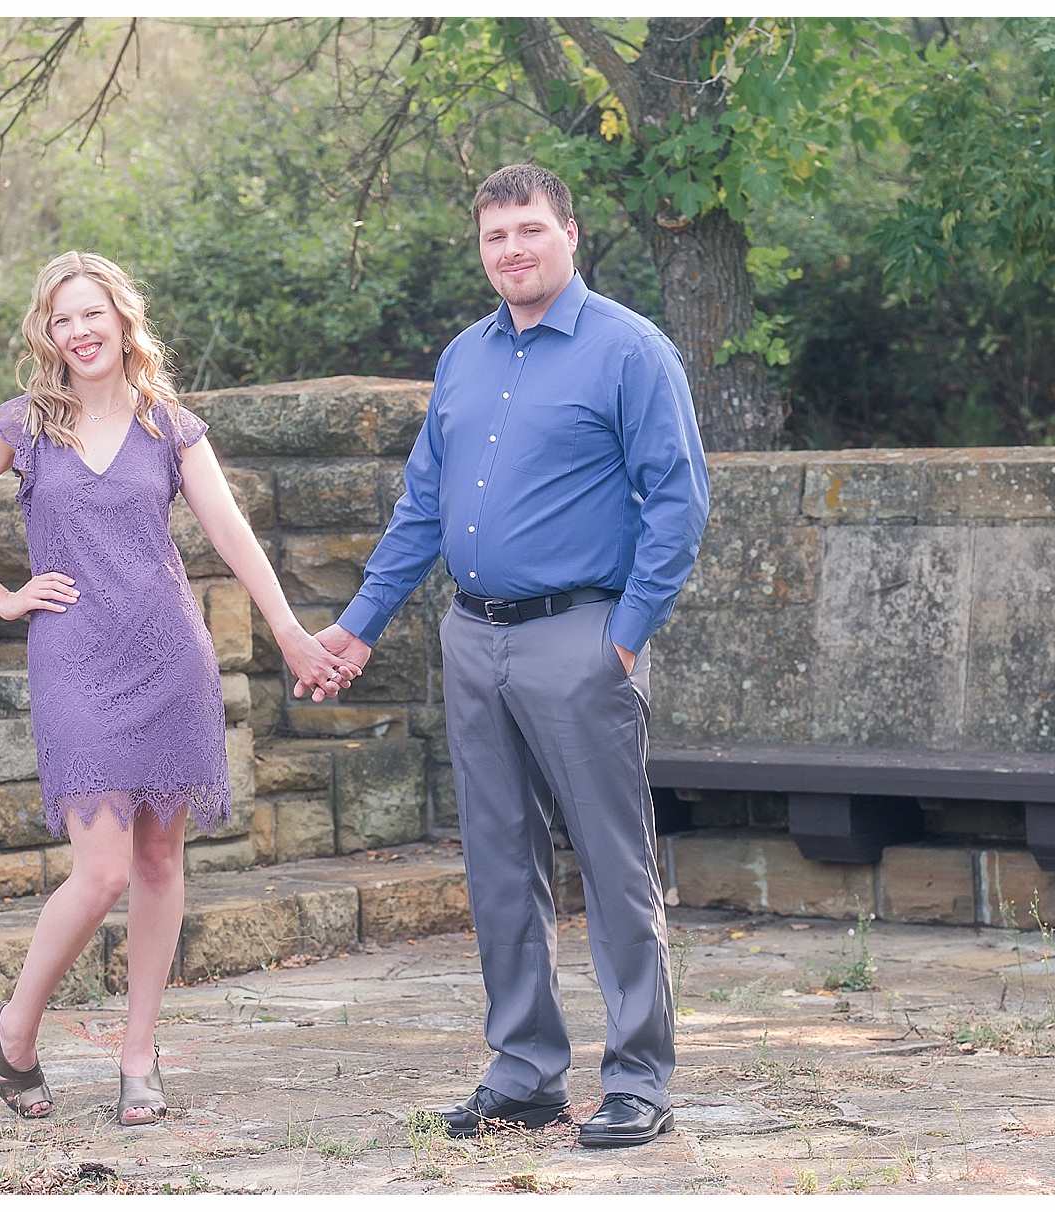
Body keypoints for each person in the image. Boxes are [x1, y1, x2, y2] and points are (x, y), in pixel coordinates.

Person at [299, 164, 709, 1148]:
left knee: (614, 866)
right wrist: (357, 625)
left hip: (582, 638)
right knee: (496, 864)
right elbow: (421, 513)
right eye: (495, 237)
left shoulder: (629, 351)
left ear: (570, 233)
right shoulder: (463, 358)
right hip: (472, 638)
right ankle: (525, 1070)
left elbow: (680, 501)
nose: (512, 250)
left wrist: (623, 636)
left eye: (529, 230)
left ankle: (640, 1080)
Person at [0, 250, 358, 1126]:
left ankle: (138, 1057)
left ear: (123, 319)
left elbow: (234, 540)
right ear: (48, 330)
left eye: (92, 314)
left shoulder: (170, 426)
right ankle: (15, 1029)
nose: (79, 332)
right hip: (74, 659)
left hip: (169, 660)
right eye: (62, 318)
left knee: (158, 859)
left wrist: (292, 634)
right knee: (103, 868)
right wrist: (3, 597)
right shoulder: (23, 427)